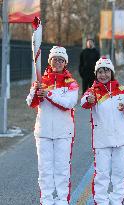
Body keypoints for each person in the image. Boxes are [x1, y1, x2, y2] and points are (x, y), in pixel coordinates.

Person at [26, 46, 79, 205]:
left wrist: (48, 94)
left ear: (65, 63)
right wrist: (36, 92)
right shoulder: (40, 81)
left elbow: (69, 103)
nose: (58, 62)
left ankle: (62, 200)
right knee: (45, 170)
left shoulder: (71, 83)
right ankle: (47, 200)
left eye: (61, 60)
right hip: (43, 132)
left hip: (64, 132)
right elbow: (30, 102)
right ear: (50, 61)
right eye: (55, 59)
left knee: (62, 170)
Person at [81, 57, 124, 205]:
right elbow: (83, 102)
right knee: (102, 174)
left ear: (111, 73)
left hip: (122, 139)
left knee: (119, 174)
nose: (103, 75)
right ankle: (101, 201)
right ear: (96, 74)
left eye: (106, 71)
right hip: (102, 140)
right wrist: (89, 100)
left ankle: (117, 200)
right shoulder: (93, 91)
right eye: (100, 71)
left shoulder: (123, 90)